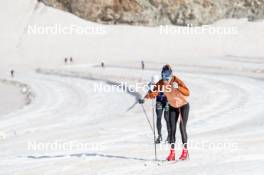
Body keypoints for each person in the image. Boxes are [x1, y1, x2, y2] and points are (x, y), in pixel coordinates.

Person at [145, 64, 190, 161]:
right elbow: (153, 93)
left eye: (167, 76)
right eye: (163, 75)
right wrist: (147, 95)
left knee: (182, 128)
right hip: (173, 107)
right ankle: (172, 153)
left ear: (170, 75)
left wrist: (178, 87)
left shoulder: (176, 80)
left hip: (183, 106)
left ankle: (185, 152)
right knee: (172, 129)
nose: (165, 78)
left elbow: (187, 92)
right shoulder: (161, 83)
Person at [148, 76, 170, 144]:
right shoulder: (150, 84)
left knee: (166, 117)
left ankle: (169, 136)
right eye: (153, 84)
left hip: (167, 101)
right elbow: (149, 94)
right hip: (159, 101)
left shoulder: (165, 84)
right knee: (158, 117)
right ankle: (159, 136)